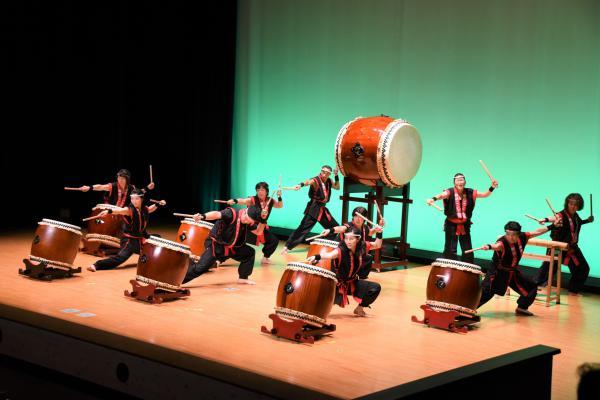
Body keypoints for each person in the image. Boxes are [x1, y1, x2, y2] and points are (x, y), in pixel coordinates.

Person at [475, 220, 559, 316]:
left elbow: (537, 232)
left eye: (513, 234)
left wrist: (552, 226)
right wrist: (489, 246)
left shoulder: (523, 237)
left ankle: (522, 307)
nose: (510, 237)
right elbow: (497, 246)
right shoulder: (502, 242)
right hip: (498, 273)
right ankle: (468, 310)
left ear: (518, 234)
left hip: (512, 273)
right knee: (486, 293)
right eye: (508, 234)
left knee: (531, 287)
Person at [307, 228, 383, 317]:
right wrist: (317, 256)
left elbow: (377, 244)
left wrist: (379, 233)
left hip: (352, 283)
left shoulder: (363, 246)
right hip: (337, 284)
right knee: (321, 302)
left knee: (375, 288)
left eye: (351, 239)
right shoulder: (341, 250)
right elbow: (329, 255)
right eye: (346, 238)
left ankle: (359, 309)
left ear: (358, 239)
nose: (348, 241)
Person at [427, 172, 498, 262]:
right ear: (454, 183)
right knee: (450, 248)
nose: (460, 182)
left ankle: (467, 272)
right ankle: (449, 270)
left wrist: (492, 187)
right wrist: (432, 199)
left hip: (465, 224)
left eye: (462, 180)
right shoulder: (449, 191)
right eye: (458, 180)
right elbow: (441, 195)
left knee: (467, 248)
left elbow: (485, 195)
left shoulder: (470, 192)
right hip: (451, 224)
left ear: (465, 182)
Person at [87, 189, 165, 271]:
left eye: (136, 198)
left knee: (157, 238)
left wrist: (158, 204)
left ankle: (151, 260)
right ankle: (97, 265)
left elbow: (150, 209)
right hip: (129, 241)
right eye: (132, 198)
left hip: (140, 240)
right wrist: (108, 211)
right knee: (120, 258)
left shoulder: (144, 209)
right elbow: (120, 211)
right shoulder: (129, 210)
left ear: (141, 199)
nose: (134, 201)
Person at [182, 206, 262, 285]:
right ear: (245, 211)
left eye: (249, 221)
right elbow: (217, 214)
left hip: (231, 247)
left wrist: (263, 220)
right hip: (216, 245)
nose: (245, 220)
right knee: (200, 268)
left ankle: (243, 278)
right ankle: (178, 281)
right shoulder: (231, 213)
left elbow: (258, 232)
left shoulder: (248, 222)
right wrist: (203, 216)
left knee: (249, 253)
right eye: (246, 217)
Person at [535, 193, 593, 295]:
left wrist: (587, 220)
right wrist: (545, 219)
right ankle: (532, 287)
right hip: (558, 247)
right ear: (567, 204)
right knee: (548, 269)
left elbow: (577, 223)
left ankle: (573, 290)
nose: (573, 207)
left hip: (571, 247)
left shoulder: (575, 216)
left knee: (582, 268)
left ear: (579, 206)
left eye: (576, 205)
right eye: (571, 204)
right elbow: (555, 217)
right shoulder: (561, 215)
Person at [281, 165, 340, 254]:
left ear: (329, 174)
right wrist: (300, 185)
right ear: (321, 171)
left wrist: (336, 176)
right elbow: (308, 182)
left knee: (335, 227)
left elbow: (337, 187)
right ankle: (287, 246)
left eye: (327, 173)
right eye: (323, 171)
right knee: (303, 228)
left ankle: (323, 243)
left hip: (322, 209)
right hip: (314, 207)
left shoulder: (329, 181)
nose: (324, 174)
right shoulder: (315, 180)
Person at [227, 182, 282, 264]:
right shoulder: (253, 199)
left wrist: (279, 196)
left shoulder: (270, 200)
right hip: (248, 226)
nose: (260, 192)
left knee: (273, 241)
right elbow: (244, 201)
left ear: (266, 191)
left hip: (261, 226)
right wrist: (234, 201)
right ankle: (220, 259)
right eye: (258, 190)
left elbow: (279, 205)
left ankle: (265, 257)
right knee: (235, 242)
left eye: (262, 190)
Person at [77, 168, 154, 207]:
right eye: (118, 177)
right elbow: (100, 187)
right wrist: (89, 187)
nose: (120, 180)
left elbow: (139, 192)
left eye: (122, 178)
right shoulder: (112, 186)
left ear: (127, 179)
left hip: (122, 212)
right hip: (109, 210)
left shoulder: (131, 188)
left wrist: (148, 188)